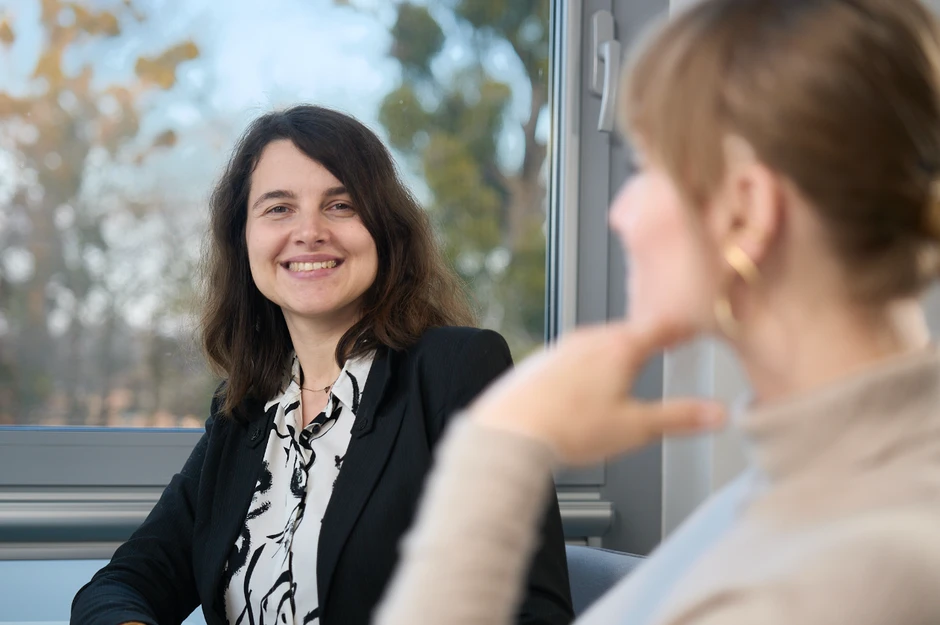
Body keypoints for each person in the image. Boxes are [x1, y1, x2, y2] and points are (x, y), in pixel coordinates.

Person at [374, 0, 940, 624]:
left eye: (647, 170)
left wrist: (499, 448)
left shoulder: (841, 578)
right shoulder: (817, 482)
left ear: (746, 211)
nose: (620, 212)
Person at [71, 105, 573, 625]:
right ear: (243, 241)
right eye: (278, 208)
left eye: (340, 205)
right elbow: (122, 583)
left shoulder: (457, 371)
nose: (309, 232)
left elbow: (535, 611)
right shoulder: (242, 412)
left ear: (384, 228)